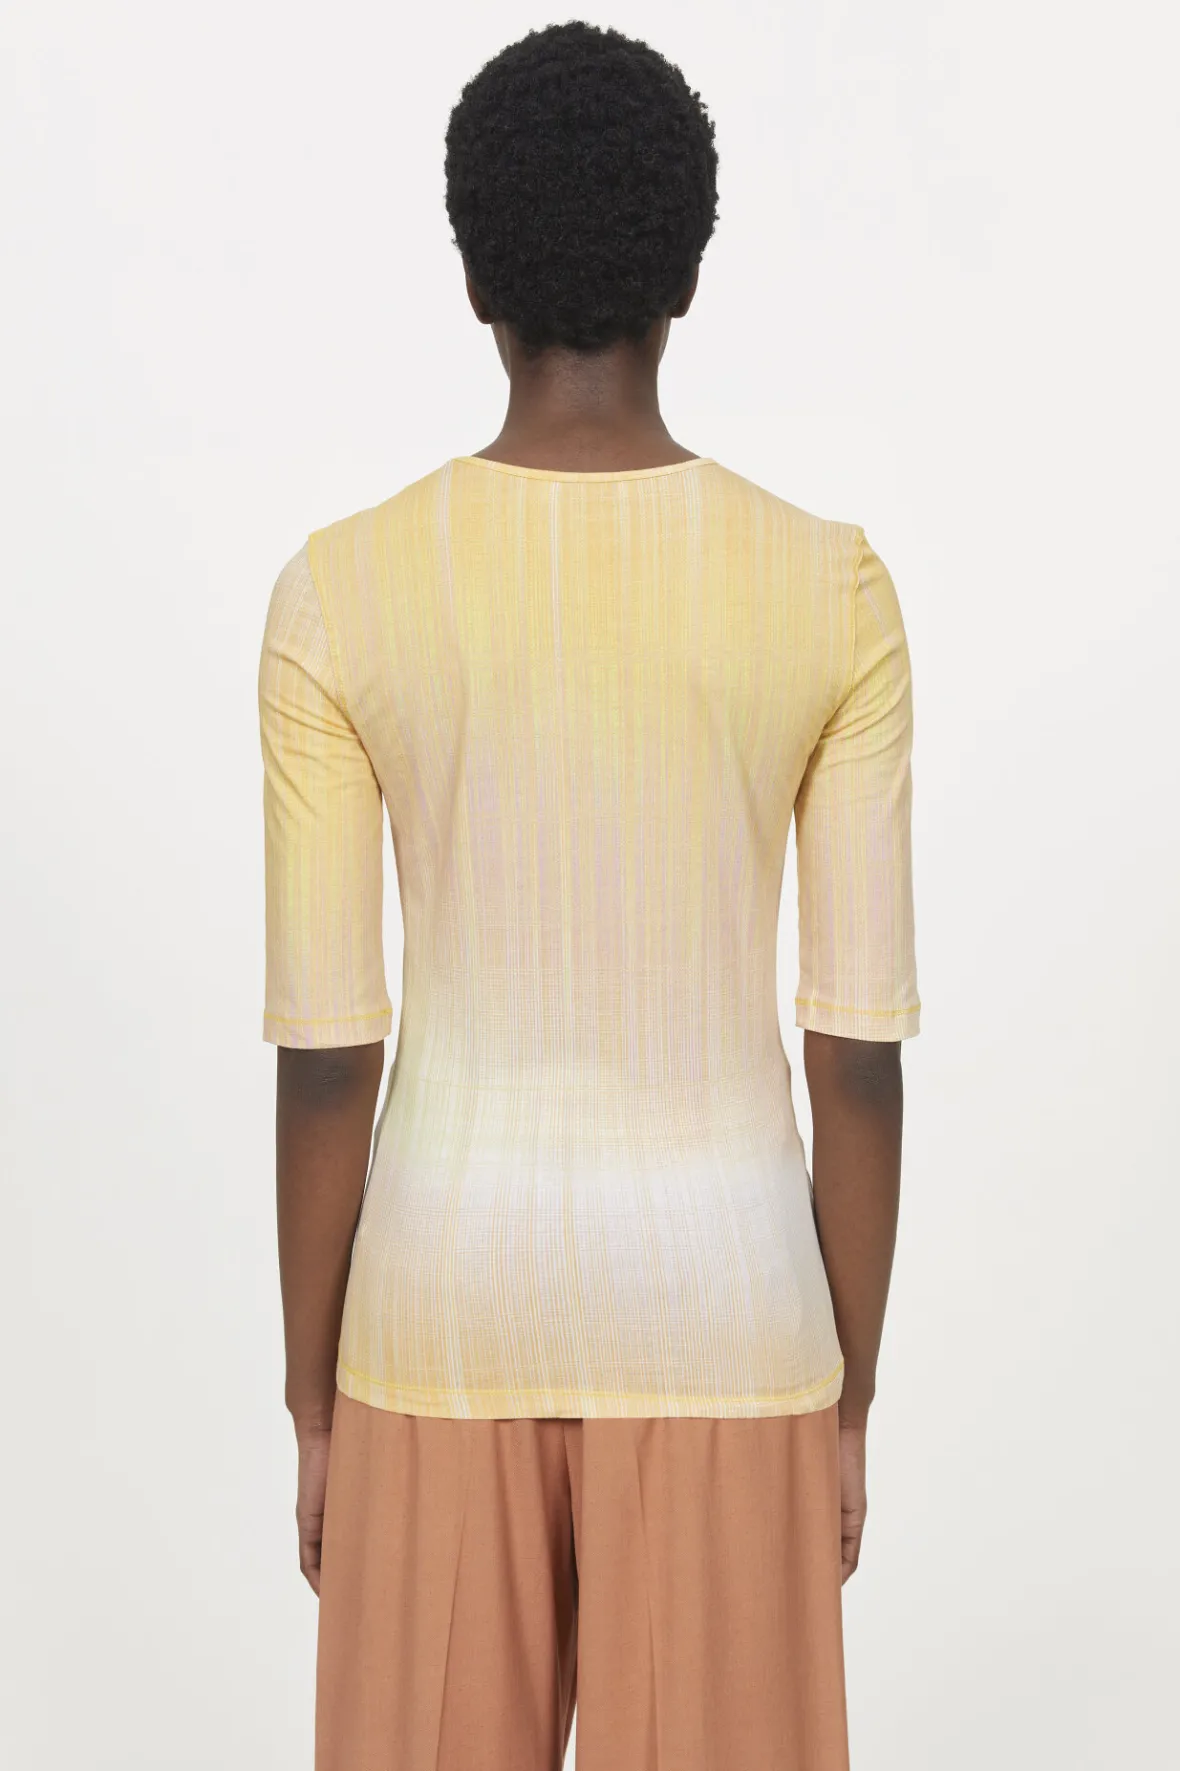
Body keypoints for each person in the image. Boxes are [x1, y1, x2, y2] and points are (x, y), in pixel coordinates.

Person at [257, 19, 919, 1771]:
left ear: (472, 274)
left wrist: (315, 1401)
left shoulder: (340, 594)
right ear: (687, 275)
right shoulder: (831, 594)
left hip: (435, 1304)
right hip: (732, 1305)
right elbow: (856, 1054)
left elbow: (326, 1058)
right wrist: (846, 1395)